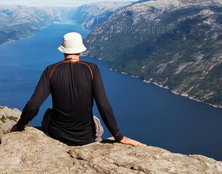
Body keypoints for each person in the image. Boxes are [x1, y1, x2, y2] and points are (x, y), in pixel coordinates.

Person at [11, 32, 142, 147]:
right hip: (86, 137)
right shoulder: (92, 69)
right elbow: (103, 105)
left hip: (57, 134)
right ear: (80, 49)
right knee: (95, 119)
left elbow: (33, 105)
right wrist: (118, 136)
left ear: (63, 50)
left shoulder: (50, 70)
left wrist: (20, 125)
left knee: (48, 113)